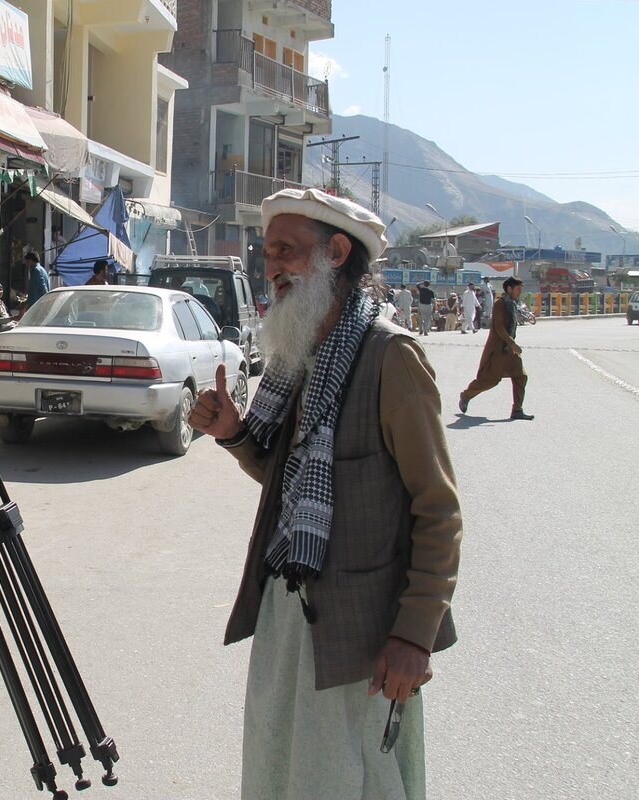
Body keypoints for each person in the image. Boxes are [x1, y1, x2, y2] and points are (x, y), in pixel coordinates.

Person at [188, 187, 461, 800]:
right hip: (289, 616)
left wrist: (414, 636)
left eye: (286, 250)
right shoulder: (299, 355)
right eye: (267, 253)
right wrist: (234, 434)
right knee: (280, 770)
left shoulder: (392, 358)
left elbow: (439, 511)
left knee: (354, 780)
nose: (271, 266)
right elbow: (291, 482)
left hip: (361, 632)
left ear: (336, 253)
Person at [458, 276, 534, 420]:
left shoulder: (512, 303)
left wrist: (511, 344)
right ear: (509, 289)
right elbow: (499, 327)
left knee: (521, 376)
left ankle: (517, 409)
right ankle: (466, 395)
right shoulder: (500, 304)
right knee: (490, 380)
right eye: (518, 289)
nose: (520, 292)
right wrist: (511, 343)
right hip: (499, 350)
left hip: (510, 350)